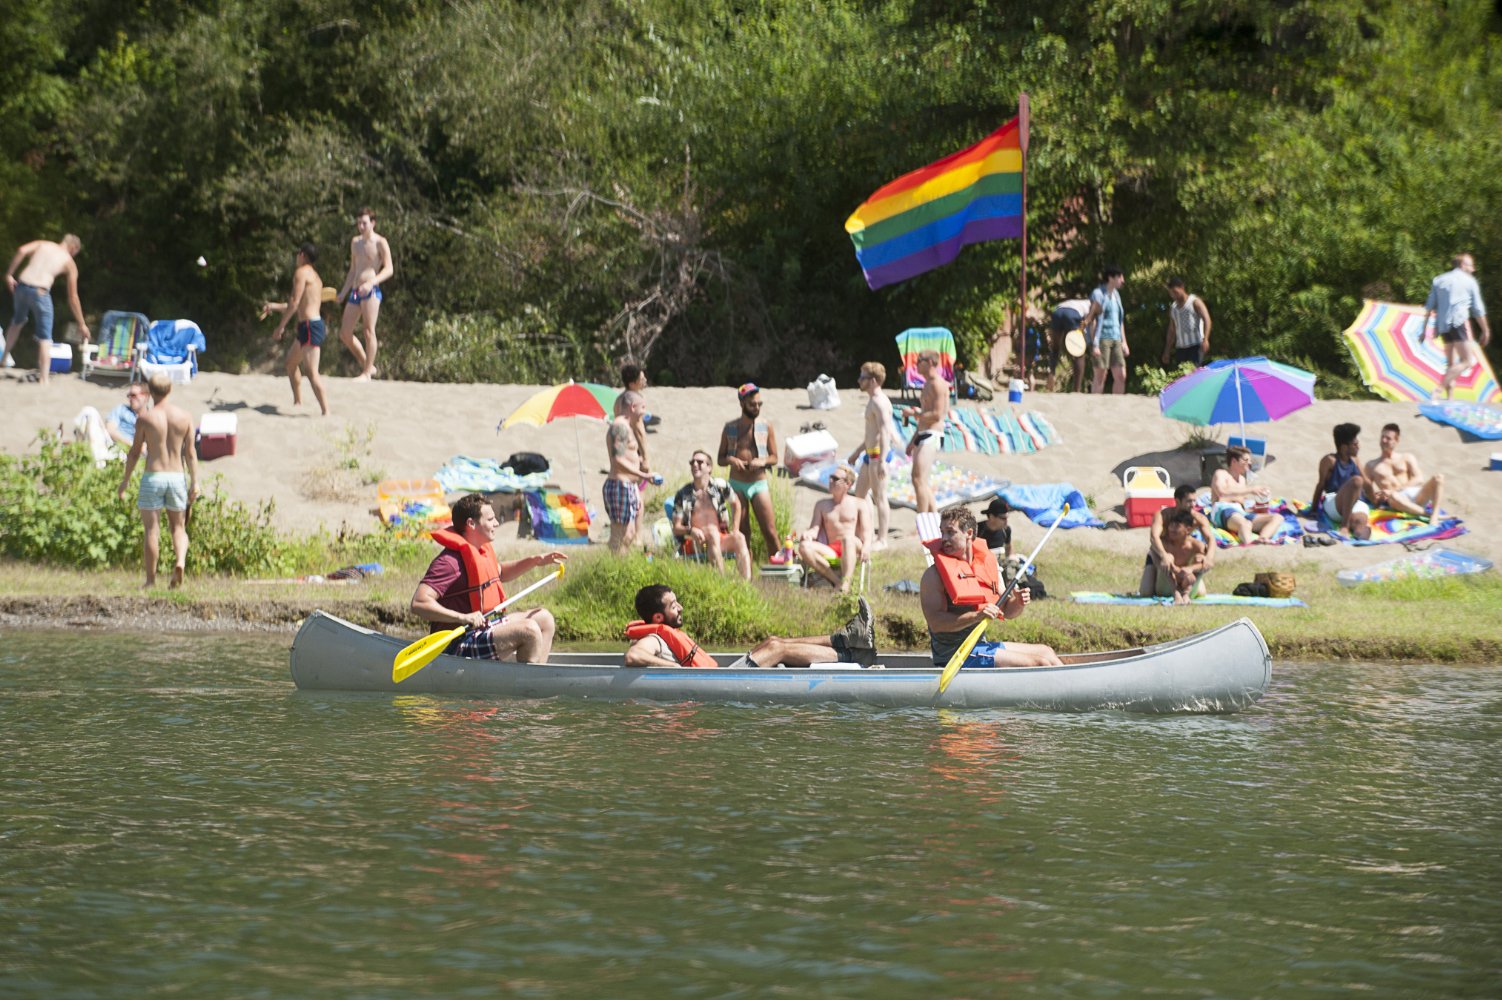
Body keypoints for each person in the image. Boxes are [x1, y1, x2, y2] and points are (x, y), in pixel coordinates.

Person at [410, 493, 567, 661]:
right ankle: (528, 685)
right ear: (471, 524)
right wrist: (462, 617)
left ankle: (537, 675)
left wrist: (535, 561)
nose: (497, 523)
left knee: (544, 619)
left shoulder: (480, 550)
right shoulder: (448, 563)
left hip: (481, 630)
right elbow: (419, 603)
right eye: (491, 519)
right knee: (529, 631)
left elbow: (499, 573)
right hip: (456, 644)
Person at [920, 507, 1061, 669]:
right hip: (955, 656)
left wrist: (1018, 602)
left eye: (950, 532)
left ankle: (1070, 687)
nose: (944, 538)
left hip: (979, 647)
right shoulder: (933, 576)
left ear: (969, 534)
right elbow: (936, 623)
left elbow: (1007, 611)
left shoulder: (988, 563)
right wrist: (976, 615)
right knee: (1039, 663)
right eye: (942, 532)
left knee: (1046, 652)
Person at [625, 585, 876, 668]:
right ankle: (850, 658)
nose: (680, 607)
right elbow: (633, 655)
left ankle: (845, 638)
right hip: (719, 682)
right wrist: (676, 670)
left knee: (774, 641)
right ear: (658, 618)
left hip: (718, 677)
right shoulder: (655, 639)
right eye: (672, 605)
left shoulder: (666, 634)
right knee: (777, 649)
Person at [116, 373, 198, 589]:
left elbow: (134, 453)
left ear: (150, 393)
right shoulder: (185, 416)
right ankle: (180, 561)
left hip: (153, 475)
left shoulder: (145, 419)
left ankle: (151, 581)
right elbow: (190, 453)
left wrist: (125, 482)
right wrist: (194, 482)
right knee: (178, 528)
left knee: (152, 530)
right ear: (170, 390)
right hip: (177, 476)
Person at [4, 235, 90, 385]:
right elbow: (73, 297)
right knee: (45, 337)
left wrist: (9, 274)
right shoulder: (69, 262)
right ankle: (44, 378)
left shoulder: (43, 244)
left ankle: (3, 359)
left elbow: (21, 250)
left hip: (22, 286)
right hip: (40, 291)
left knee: (17, 321)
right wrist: (82, 323)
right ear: (73, 248)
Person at [260, 243, 331, 416]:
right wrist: (274, 307)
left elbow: (294, 303)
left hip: (309, 327)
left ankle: (326, 412)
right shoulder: (316, 276)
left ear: (302, 255)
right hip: (308, 326)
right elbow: (298, 305)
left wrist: (280, 327)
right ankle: (298, 402)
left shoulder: (301, 273)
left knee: (311, 372)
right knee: (290, 363)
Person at [717, 383, 781, 557]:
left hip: (758, 482)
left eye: (759, 404)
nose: (757, 408)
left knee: (770, 531)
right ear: (742, 403)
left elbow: (775, 457)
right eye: (753, 404)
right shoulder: (730, 427)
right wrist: (731, 459)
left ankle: (781, 569)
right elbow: (720, 459)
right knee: (744, 533)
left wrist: (762, 461)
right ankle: (747, 576)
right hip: (737, 484)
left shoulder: (765, 426)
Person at [672, 450, 751, 581]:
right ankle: (723, 583)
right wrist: (691, 530)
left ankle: (746, 585)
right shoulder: (683, 494)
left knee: (740, 538)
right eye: (692, 462)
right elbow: (676, 527)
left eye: (699, 462)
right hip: (695, 542)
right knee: (712, 534)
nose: (695, 464)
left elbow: (736, 504)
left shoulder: (720, 486)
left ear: (709, 467)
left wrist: (735, 528)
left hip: (719, 537)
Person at [336, 207, 394, 381]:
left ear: (373, 223)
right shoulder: (355, 243)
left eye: (364, 223)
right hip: (355, 290)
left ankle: (367, 373)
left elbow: (389, 269)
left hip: (371, 291)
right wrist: (343, 292)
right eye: (359, 223)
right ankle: (367, 364)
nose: (361, 226)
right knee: (345, 333)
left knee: (369, 331)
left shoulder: (380, 242)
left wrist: (371, 283)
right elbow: (353, 270)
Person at [1423, 253, 1490, 401]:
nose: (1473, 269)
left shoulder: (1439, 280)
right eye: (1471, 265)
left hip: (1443, 326)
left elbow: (1429, 306)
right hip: (1459, 323)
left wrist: (1424, 329)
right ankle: (1439, 389)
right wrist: (1485, 330)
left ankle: (1450, 397)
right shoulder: (1469, 281)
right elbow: (1478, 309)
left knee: (1451, 365)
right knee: (1467, 361)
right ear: (1462, 265)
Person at [797, 464, 872, 592]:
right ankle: (837, 581)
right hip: (831, 548)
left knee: (847, 539)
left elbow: (867, 531)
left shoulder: (859, 504)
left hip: (853, 546)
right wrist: (808, 534)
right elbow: (815, 529)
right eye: (830, 477)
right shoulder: (822, 505)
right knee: (803, 546)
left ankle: (846, 583)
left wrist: (866, 547)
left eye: (835, 479)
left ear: (848, 484)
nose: (831, 481)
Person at [846, 361, 895, 548]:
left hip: (878, 456)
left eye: (863, 377)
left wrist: (882, 460)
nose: (859, 381)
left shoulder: (880, 402)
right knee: (859, 495)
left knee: (880, 497)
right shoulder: (873, 400)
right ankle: (868, 532)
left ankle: (883, 539)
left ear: (873, 381)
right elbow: (871, 434)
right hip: (869, 455)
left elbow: (884, 432)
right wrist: (857, 452)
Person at [1138, 484, 1216, 596]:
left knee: (1201, 592)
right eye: (1189, 501)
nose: (1193, 505)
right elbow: (1154, 537)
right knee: (1146, 592)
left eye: (1194, 501)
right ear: (1178, 501)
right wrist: (1163, 555)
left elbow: (1210, 539)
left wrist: (1209, 557)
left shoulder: (1198, 518)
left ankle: (1189, 582)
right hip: (1161, 556)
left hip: (1184, 556)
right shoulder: (1163, 515)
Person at [1364, 422, 1444, 522]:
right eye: (1382, 437)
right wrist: (1377, 498)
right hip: (1396, 500)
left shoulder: (1406, 457)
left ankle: (1435, 514)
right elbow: (1366, 490)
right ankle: (1430, 515)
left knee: (1438, 478)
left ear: (1396, 440)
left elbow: (1419, 479)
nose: (1384, 440)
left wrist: (1395, 489)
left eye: (1388, 438)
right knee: (1393, 496)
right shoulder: (1371, 465)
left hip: (1415, 494)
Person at [903, 351, 949, 514]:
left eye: (919, 361)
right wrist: (913, 440)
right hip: (923, 433)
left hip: (933, 434)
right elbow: (925, 415)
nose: (916, 364)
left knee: (918, 478)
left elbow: (937, 415)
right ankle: (934, 517)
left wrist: (912, 414)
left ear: (929, 362)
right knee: (920, 480)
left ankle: (921, 520)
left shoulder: (937, 384)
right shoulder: (927, 384)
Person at [604, 390, 649, 553]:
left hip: (626, 485)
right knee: (620, 536)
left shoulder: (626, 427)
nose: (644, 412)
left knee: (629, 534)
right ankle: (613, 572)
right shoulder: (620, 427)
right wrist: (643, 475)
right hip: (619, 485)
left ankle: (618, 568)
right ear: (632, 406)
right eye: (642, 407)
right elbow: (618, 460)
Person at [1208, 444, 1280, 544]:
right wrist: (1251, 490)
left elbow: (1241, 505)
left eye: (1249, 460)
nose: (1249, 463)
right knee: (1245, 524)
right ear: (1234, 461)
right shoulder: (1221, 474)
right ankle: (1249, 544)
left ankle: (1262, 539)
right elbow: (1222, 493)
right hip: (1223, 510)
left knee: (1276, 517)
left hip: (1240, 513)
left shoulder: (1242, 480)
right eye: (1246, 460)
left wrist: (1259, 506)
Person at [1312, 423, 1371, 539]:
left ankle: (1360, 535)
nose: (1358, 446)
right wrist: (1313, 510)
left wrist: (1377, 501)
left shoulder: (1355, 460)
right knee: (1357, 481)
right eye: (1355, 444)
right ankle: (1345, 525)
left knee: (1360, 523)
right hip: (1334, 502)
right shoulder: (1329, 460)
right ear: (1344, 447)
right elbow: (1321, 485)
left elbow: (1368, 483)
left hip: (1356, 502)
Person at [73, 382, 150, 466]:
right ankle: (86, 455)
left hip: (128, 452)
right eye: (129, 395)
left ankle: (97, 461)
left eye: (134, 395)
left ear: (145, 396)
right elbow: (110, 430)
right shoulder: (121, 409)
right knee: (89, 411)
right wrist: (131, 444)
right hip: (111, 442)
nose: (130, 398)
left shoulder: (151, 418)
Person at [1084, 265, 1129, 394]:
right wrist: (1094, 344)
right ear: (1110, 278)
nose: (1122, 280)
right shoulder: (1098, 294)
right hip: (1102, 338)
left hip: (1116, 339)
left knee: (1121, 375)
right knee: (1100, 376)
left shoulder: (1116, 295)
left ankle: (1117, 406)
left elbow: (1120, 321)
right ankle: (1095, 406)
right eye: (1119, 277)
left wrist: (1124, 342)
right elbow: (1092, 319)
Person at [1154, 509, 1210, 605]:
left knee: (1199, 558)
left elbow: (1208, 564)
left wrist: (1190, 568)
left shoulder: (1197, 545)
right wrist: (1177, 570)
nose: (1172, 529)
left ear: (1188, 529)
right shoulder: (1164, 543)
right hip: (1167, 585)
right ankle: (1176, 593)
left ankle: (1186, 594)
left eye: (1177, 526)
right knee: (1168, 557)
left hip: (1187, 583)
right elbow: (1155, 560)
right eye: (1171, 525)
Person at [1161, 277, 1212, 367]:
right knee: (1182, 376)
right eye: (1171, 294)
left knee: (1194, 374)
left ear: (1182, 287)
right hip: (1181, 348)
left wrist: (1206, 339)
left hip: (1195, 346)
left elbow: (1207, 319)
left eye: (1175, 292)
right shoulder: (1173, 308)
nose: (1174, 296)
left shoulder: (1194, 302)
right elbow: (1172, 330)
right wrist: (1167, 351)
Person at [1048, 297, 1092, 392]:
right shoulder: (1094, 305)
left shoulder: (1080, 302)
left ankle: (1051, 373)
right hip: (1072, 314)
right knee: (1079, 353)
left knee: (1055, 347)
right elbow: (1091, 325)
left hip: (1057, 311)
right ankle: (1077, 389)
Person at [614, 363, 651, 474]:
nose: (645, 380)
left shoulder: (619, 399)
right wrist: (645, 459)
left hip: (620, 448)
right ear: (632, 384)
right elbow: (639, 430)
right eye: (641, 379)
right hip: (632, 448)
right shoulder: (635, 401)